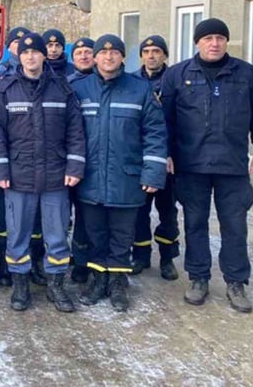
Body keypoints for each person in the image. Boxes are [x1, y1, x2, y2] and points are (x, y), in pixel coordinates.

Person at [160, 18, 253, 313]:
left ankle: (236, 282)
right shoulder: (177, 75)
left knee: (235, 226)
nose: (214, 43)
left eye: (220, 38)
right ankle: (198, 278)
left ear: (226, 42)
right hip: (190, 165)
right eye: (208, 38)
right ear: (197, 42)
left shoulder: (245, 74)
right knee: (195, 224)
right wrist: (167, 153)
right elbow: (165, 121)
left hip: (232, 166)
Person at [0, 32, 85, 312]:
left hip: (56, 175)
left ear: (45, 55)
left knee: (56, 235)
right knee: (17, 234)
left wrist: (75, 166)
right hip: (18, 175)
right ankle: (20, 288)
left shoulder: (62, 88)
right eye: (25, 53)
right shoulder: (5, 89)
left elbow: (75, 132)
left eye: (36, 52)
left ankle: (56, 286)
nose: (31, 57)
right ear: (18, 56)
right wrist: (0, 169)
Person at [71, 35, 167, 312]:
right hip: (90, 177)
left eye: (115, 53)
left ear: (123, 58)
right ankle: (98, 279)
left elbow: (155, 133)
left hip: (127, 177)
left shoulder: (140, 90)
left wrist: (152, 173)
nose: (109, 57)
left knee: (122, 235)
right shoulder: (79, 89)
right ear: (95, 57)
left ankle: (117, 282)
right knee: (95, 234)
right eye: (103, 53)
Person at [129, 34, 179, 281]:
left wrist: (170, 153)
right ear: (141, 56)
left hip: (168, 160)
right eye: (147, 51)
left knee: (167, 211)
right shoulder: (132, 82)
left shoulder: (175, 82)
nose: (151, 55)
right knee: (139, 210)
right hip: (139, 158)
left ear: (165, 55)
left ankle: (168, 258)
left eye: (157, 51)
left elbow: (180, 123)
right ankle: (140, 255)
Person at [67, 35, 95, 283]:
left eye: (88, 51)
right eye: (79, 52)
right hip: (69, 160)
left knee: (88, 216)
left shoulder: (103, 82)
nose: (84, 56)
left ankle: (85, 261)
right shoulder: (67, 85)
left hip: (96, 160)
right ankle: (73, 256)